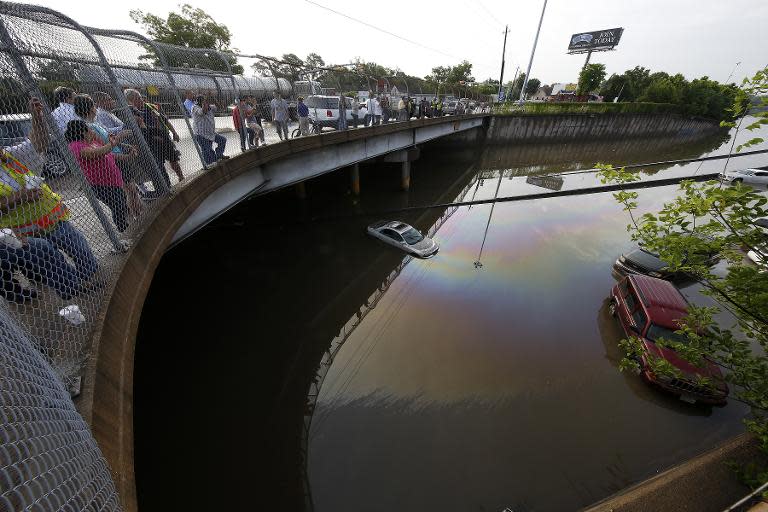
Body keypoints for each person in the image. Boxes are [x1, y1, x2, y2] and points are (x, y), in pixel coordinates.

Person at [1, 99, 97, 292]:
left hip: (53, 219)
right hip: (25, 232)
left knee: (84, 255)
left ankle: (81, 282)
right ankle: (73, 290)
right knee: (54, 264)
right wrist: (21, 197)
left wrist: (37, 117)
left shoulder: (7, 156)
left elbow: (38, 143)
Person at [74, 95, 142, 220]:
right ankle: (133, 217)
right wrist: (120, 144)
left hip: (118, 156)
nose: (96, 107)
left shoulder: (96, 123)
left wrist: (125, 145)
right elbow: (104, 147)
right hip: (114, 160)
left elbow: (111, 139)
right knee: (128, 190)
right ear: (90, 108)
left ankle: (137, 214)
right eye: (93, 105)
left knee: (131, 189)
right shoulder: (89, 128)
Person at [66, 119, 129, 233]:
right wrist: (114, 142)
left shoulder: (90, 142)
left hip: (113, 180)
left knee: (121, 202)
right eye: (88, 129)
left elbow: (108, 153)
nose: (91, 131)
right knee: (117, 206)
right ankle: (123, 229)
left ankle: (125, 226)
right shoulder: (75, 146)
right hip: (100, 184)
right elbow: (97, 152)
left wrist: (126, 157)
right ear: (81, 131)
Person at [124, 88, 184, 182]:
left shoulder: (149, 107)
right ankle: (165, 184)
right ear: (131, 101)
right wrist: (154, 137)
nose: (140, 100)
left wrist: (174, 133)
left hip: (163, 137)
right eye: (137, 99)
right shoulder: (132, 114)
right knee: (159, 164)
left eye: (140, 98)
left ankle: (181, 177)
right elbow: (140, 132)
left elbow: (164, 120)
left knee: (173, 159)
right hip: (152, 143)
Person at [191, 95, 228, 165]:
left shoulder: (210, 107)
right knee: (207, 150)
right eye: (204, 101)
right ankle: (209, 164)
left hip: (211, 133)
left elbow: (220, 107)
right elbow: (203, 111)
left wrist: (213, 97)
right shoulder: (195, 108)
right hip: (201, 134)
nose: (206, 103)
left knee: (222, 140)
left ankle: (219, 155)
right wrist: (205, 103)